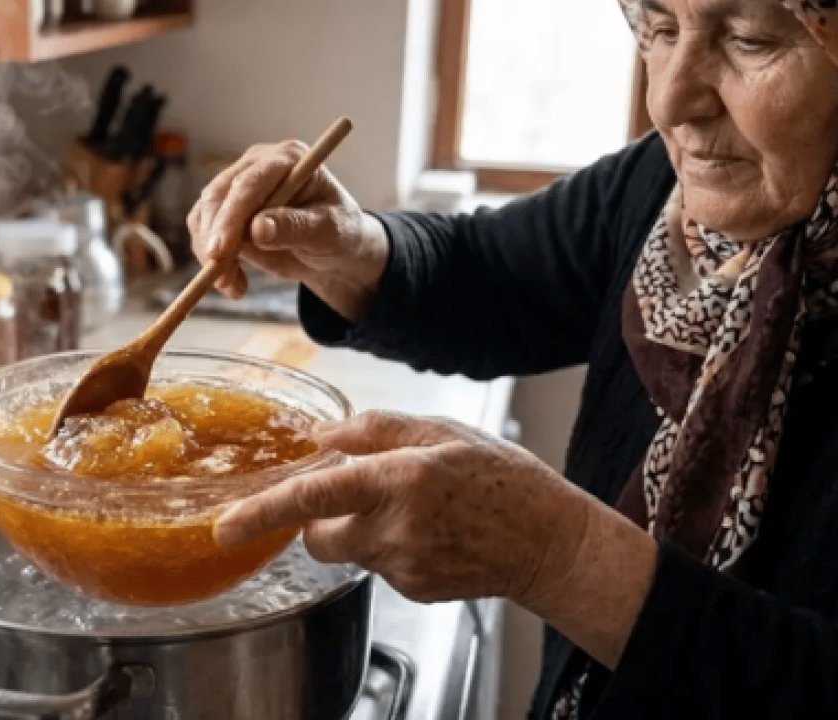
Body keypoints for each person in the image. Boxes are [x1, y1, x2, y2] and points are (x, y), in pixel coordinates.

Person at [194, 0, 838, 717]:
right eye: (658, 28)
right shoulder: (661, 189)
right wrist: (351, 248)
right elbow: (490, 276)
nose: (671, 99)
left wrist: (559, 557)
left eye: (748, 40)